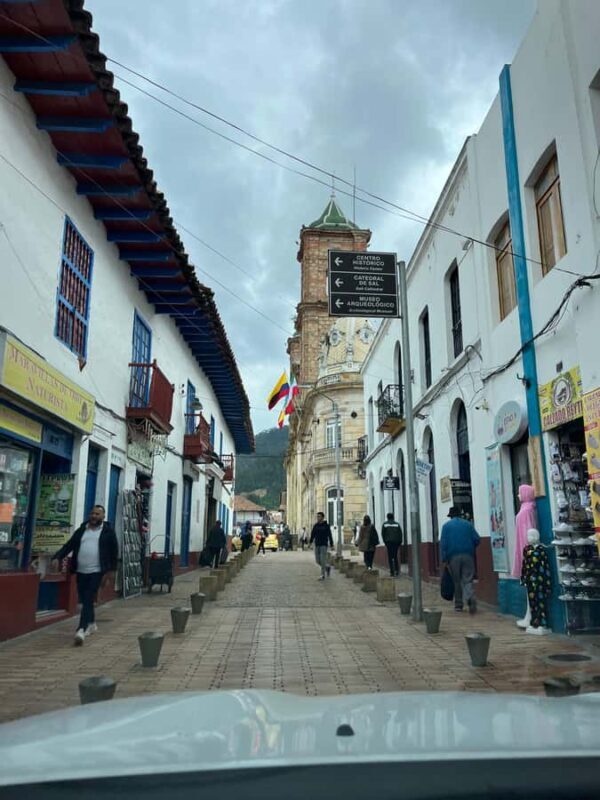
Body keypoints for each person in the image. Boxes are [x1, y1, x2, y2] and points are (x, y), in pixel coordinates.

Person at [51, 504, 118, 646]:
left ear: (103, 517)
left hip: (97, 571)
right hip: (81, 570)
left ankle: (81, 629)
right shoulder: (82, 530)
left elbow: (114, 552)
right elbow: (69, 545)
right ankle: (92, 623)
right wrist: (58, 557)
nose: (94, 516)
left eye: (97, 514)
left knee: (88, 598)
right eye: (92, 513)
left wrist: (111, 572)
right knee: (84, 597)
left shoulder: (108, 532)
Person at [440, 506, 481, 613]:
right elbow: (477, 539)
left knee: (456, 581)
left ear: (451, 516)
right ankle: (470, 598)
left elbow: (443, 544)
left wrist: (444, 558)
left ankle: (458, 605)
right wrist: (470, 547)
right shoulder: (468, 524)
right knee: (468, 579)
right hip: (468, 555)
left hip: (453, 557)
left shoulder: (446, 526)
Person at [309, 511, 333, 579]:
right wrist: (310, 542)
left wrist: (331, 544)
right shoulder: (316, 525)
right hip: (317, 544)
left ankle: (322, 575)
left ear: (322, 517)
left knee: (322, 560)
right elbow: (313, 534)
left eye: (319, 516)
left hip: (324, 544)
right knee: (317, 561)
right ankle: (327, 567)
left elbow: (329, 535)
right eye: (317, 516)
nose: (318, 518)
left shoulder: (326, 526)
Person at [381, 512, 403, 577]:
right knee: (395, 556)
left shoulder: (385, 524)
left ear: (387, 517)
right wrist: (399, 542)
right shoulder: (397, 524)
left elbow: (383, 534)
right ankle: (397, 570)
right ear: (393, 517)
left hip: (389, 542)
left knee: (390, 557)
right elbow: (400, 534)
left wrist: (385, 542)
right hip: (396, 542)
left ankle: (392, 572)